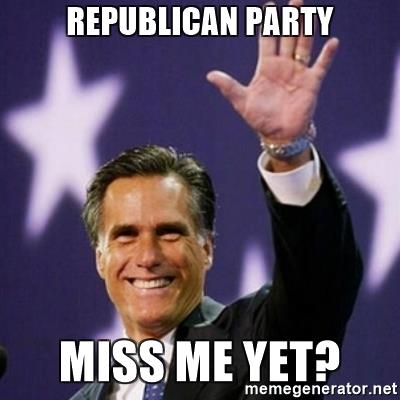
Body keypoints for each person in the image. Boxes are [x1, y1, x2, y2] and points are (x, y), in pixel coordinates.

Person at [70, 1, 362, 398]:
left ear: (206, 248)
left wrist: (288, 151)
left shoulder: (257, 347)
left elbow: (317, 284)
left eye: (169, 232)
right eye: (125, 235)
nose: (147, 256)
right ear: (100, 258)